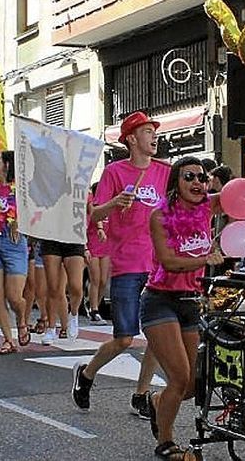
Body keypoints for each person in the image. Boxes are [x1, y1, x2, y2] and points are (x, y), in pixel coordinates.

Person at [73, 111, 170, 418]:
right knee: (124, 338)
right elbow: (94, 215)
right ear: (131, 138)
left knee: (157, 333)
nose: (154, 136)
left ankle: (141, 395)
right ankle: (86, 374)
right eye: (147, 131)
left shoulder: (164, 171)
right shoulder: (115, 172)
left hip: (158, 264)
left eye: (154, 132)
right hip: (127, 262)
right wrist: (115, 204)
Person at [142, 157, 224, 459]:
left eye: (203, 178)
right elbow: (169, 262)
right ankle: (165, 441)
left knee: (190, 385)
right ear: (176, 182)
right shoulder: (159, 216)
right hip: (159, 301)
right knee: (178, 377)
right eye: (189, 177)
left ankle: (156, 401)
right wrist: (206, 260)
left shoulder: (208, 208)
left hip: (192, 302)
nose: (197, 183)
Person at [0, 150, 30, 354]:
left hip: (15, 243)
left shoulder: (22, 189)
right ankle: (8, 340)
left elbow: (37, 212)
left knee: (14, 296)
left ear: (8, 165)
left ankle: (21, 318)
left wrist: (21, 221)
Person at [85, 182, 109, 325]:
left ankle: (95, 305)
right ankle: (94, 310)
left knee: (103, 281)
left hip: (106, 247)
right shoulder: (92, 209)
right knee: (95, 278)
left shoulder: (109, 208)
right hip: (93, 246)